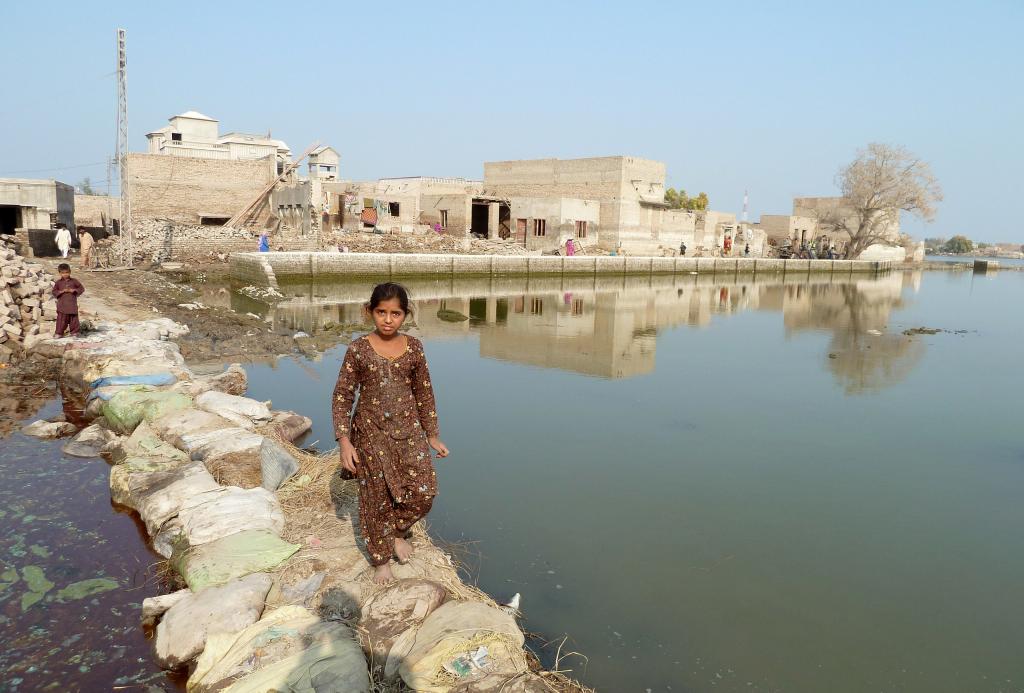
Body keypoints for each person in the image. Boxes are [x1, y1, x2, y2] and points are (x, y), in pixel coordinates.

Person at [333, 282, 449, 584]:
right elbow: (343, 395)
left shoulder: (414, 348)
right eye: (381, 312)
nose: (387, 319)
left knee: (424, 492)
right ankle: (381, 557)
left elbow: (424, 392)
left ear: (405, 315)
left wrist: (432, 434)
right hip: (370, 432)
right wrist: (344, 441)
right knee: (375, 498)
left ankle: (396, 531)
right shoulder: (358, 349)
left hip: (408, 431)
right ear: (369, 311)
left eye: (395, 313)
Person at [51, 263, 84, 338]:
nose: (65, 274)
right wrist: (61, 291)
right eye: (63, 273)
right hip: (62, 305)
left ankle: (75, 332)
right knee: (61, 320)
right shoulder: (58, 283)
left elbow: (81, 288)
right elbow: (54, 291)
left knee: (74, 320)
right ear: (60, 273)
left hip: (72, 304)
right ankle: (59, 333)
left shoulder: (74, 281)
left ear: (70, 272)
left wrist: (74, 290)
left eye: (67, 272)